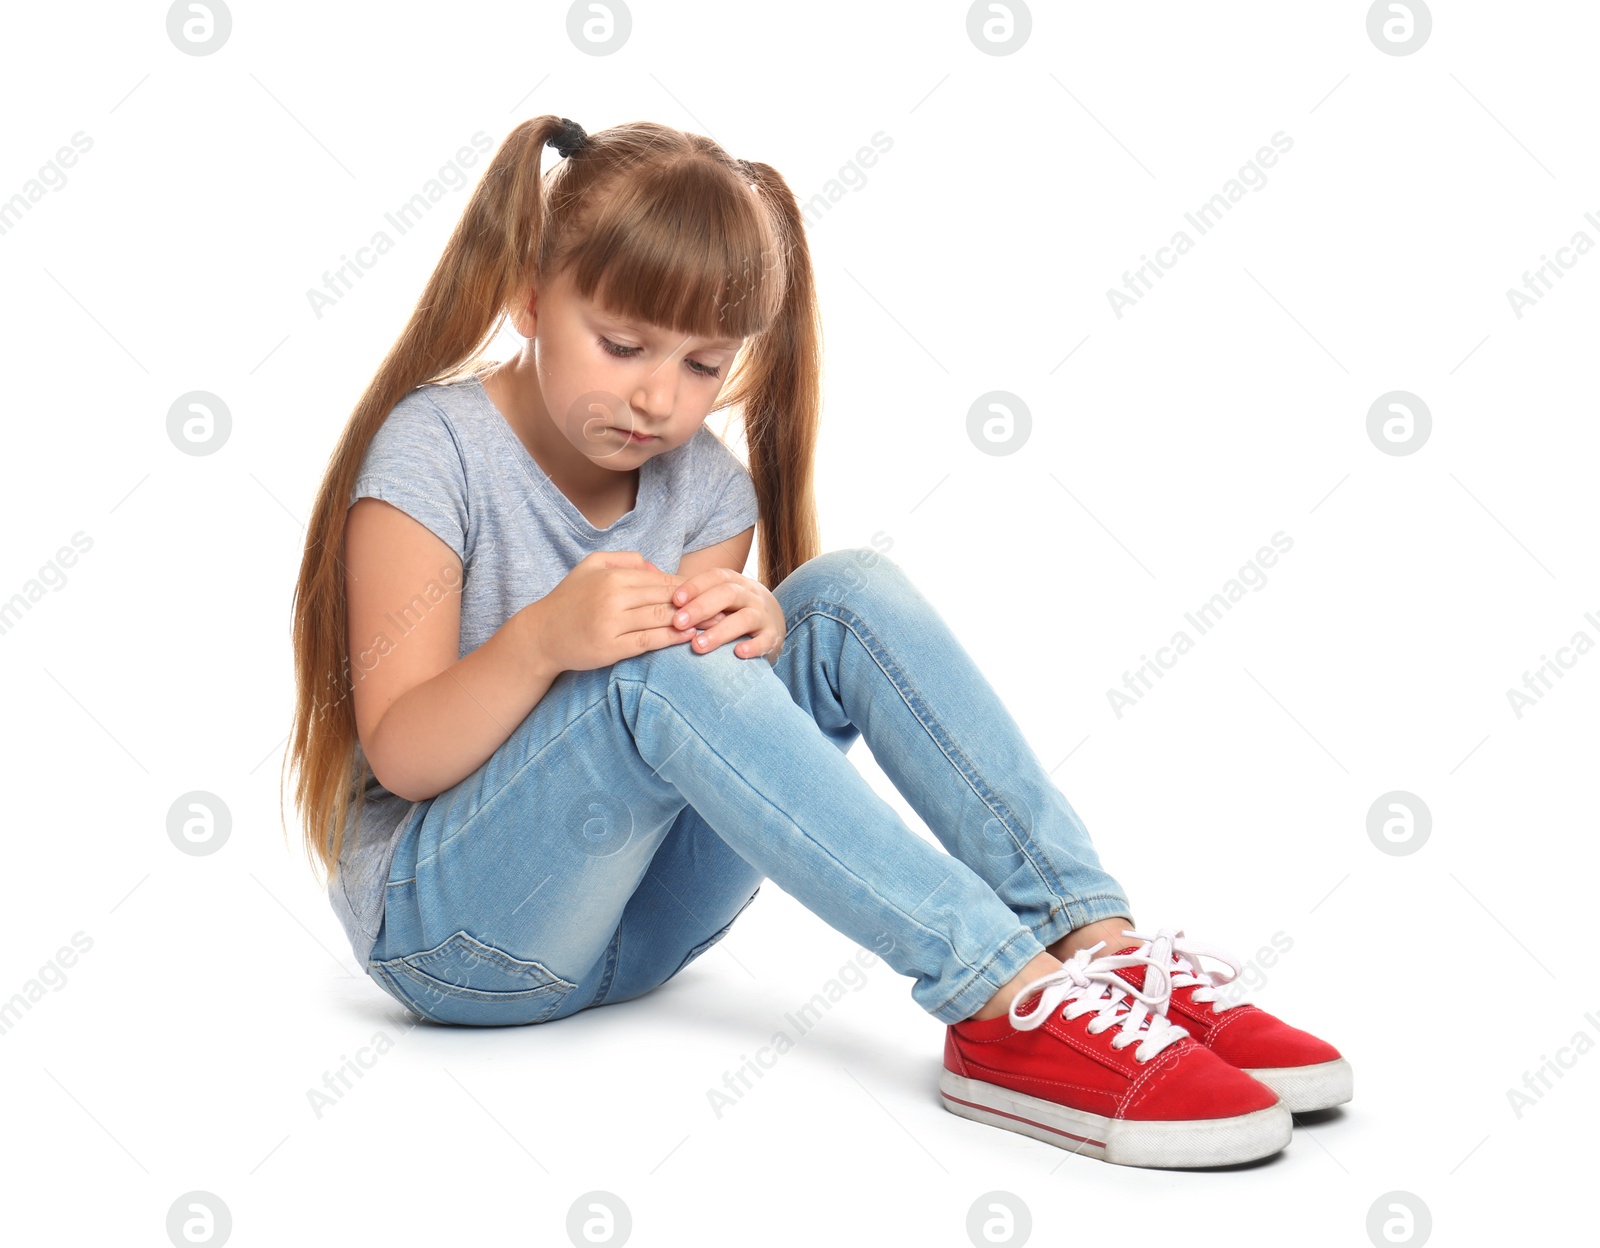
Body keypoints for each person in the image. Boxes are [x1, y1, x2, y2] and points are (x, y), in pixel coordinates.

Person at [283, 115, 1350, 1171]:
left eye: (703, 365)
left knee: (841, 593)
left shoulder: (705, 490)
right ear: (526, 291)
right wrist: (539, 642)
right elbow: (403, 754)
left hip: (641, 933)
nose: (658, 397)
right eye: (621, 346)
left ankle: (1092, 948)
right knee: (654, 670)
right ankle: (998, 996)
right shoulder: (436, 449)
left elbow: (711, 743)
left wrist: (760, 634)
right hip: (453, 936)